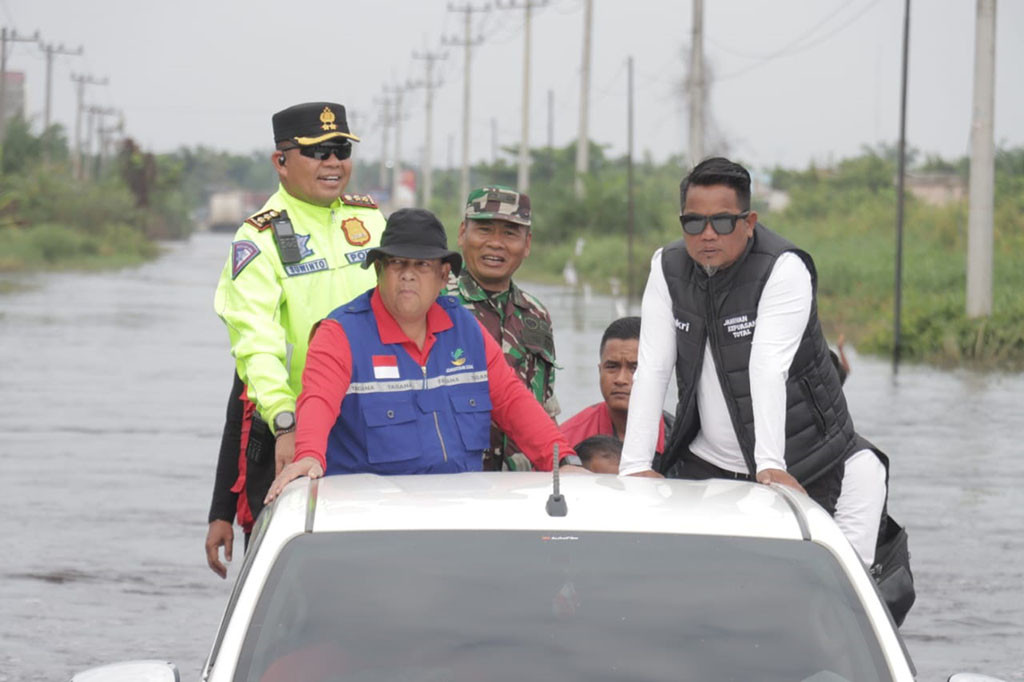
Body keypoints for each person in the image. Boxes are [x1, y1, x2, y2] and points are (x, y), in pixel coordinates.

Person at [618, 157, 888, 564]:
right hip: (707, 462)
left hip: (807, 463)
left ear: (749, 221)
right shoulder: (668, 267)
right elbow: (653, 366)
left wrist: (770, 468)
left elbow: (766, 365)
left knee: (824, 582)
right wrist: (635, 465)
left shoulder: (784, 268)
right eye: (694, 222)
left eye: (723, 222)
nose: (707, 235)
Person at [266, 208, 583, 500]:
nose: (408, 274)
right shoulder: (340, 334)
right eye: (397, 263)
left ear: (444, 276)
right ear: (379, 270)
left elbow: (512, 400)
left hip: (459, 512)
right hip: (368, 518)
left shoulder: (464, 327)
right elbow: (317, 401)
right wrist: (308, 455)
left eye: (421, 265)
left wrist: (563, 459)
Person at [205, 102, 385, 578]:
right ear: (280, 161)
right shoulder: (258, 239)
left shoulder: (370, 222)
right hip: (294, 433)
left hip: (376, 423)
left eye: (340, 149)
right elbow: (255, 349)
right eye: (316, 152)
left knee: (375, 572)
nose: (332, 163)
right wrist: (287, 424)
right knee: (294, 581)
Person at [445, 185, 558, 471]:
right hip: (455, 480)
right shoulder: (438, 305)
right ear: (462, 234)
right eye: (484, 230)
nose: (496, 243)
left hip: (523, 484)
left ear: (527, 244)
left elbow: (546, 406)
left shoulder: (536, 315)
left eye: (510, 233)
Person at [558, 317, 672, 465]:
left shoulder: (679, 443)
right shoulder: (567, 441)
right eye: (612, 366)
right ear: (600, 370)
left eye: (634, 368)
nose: (621, 379)